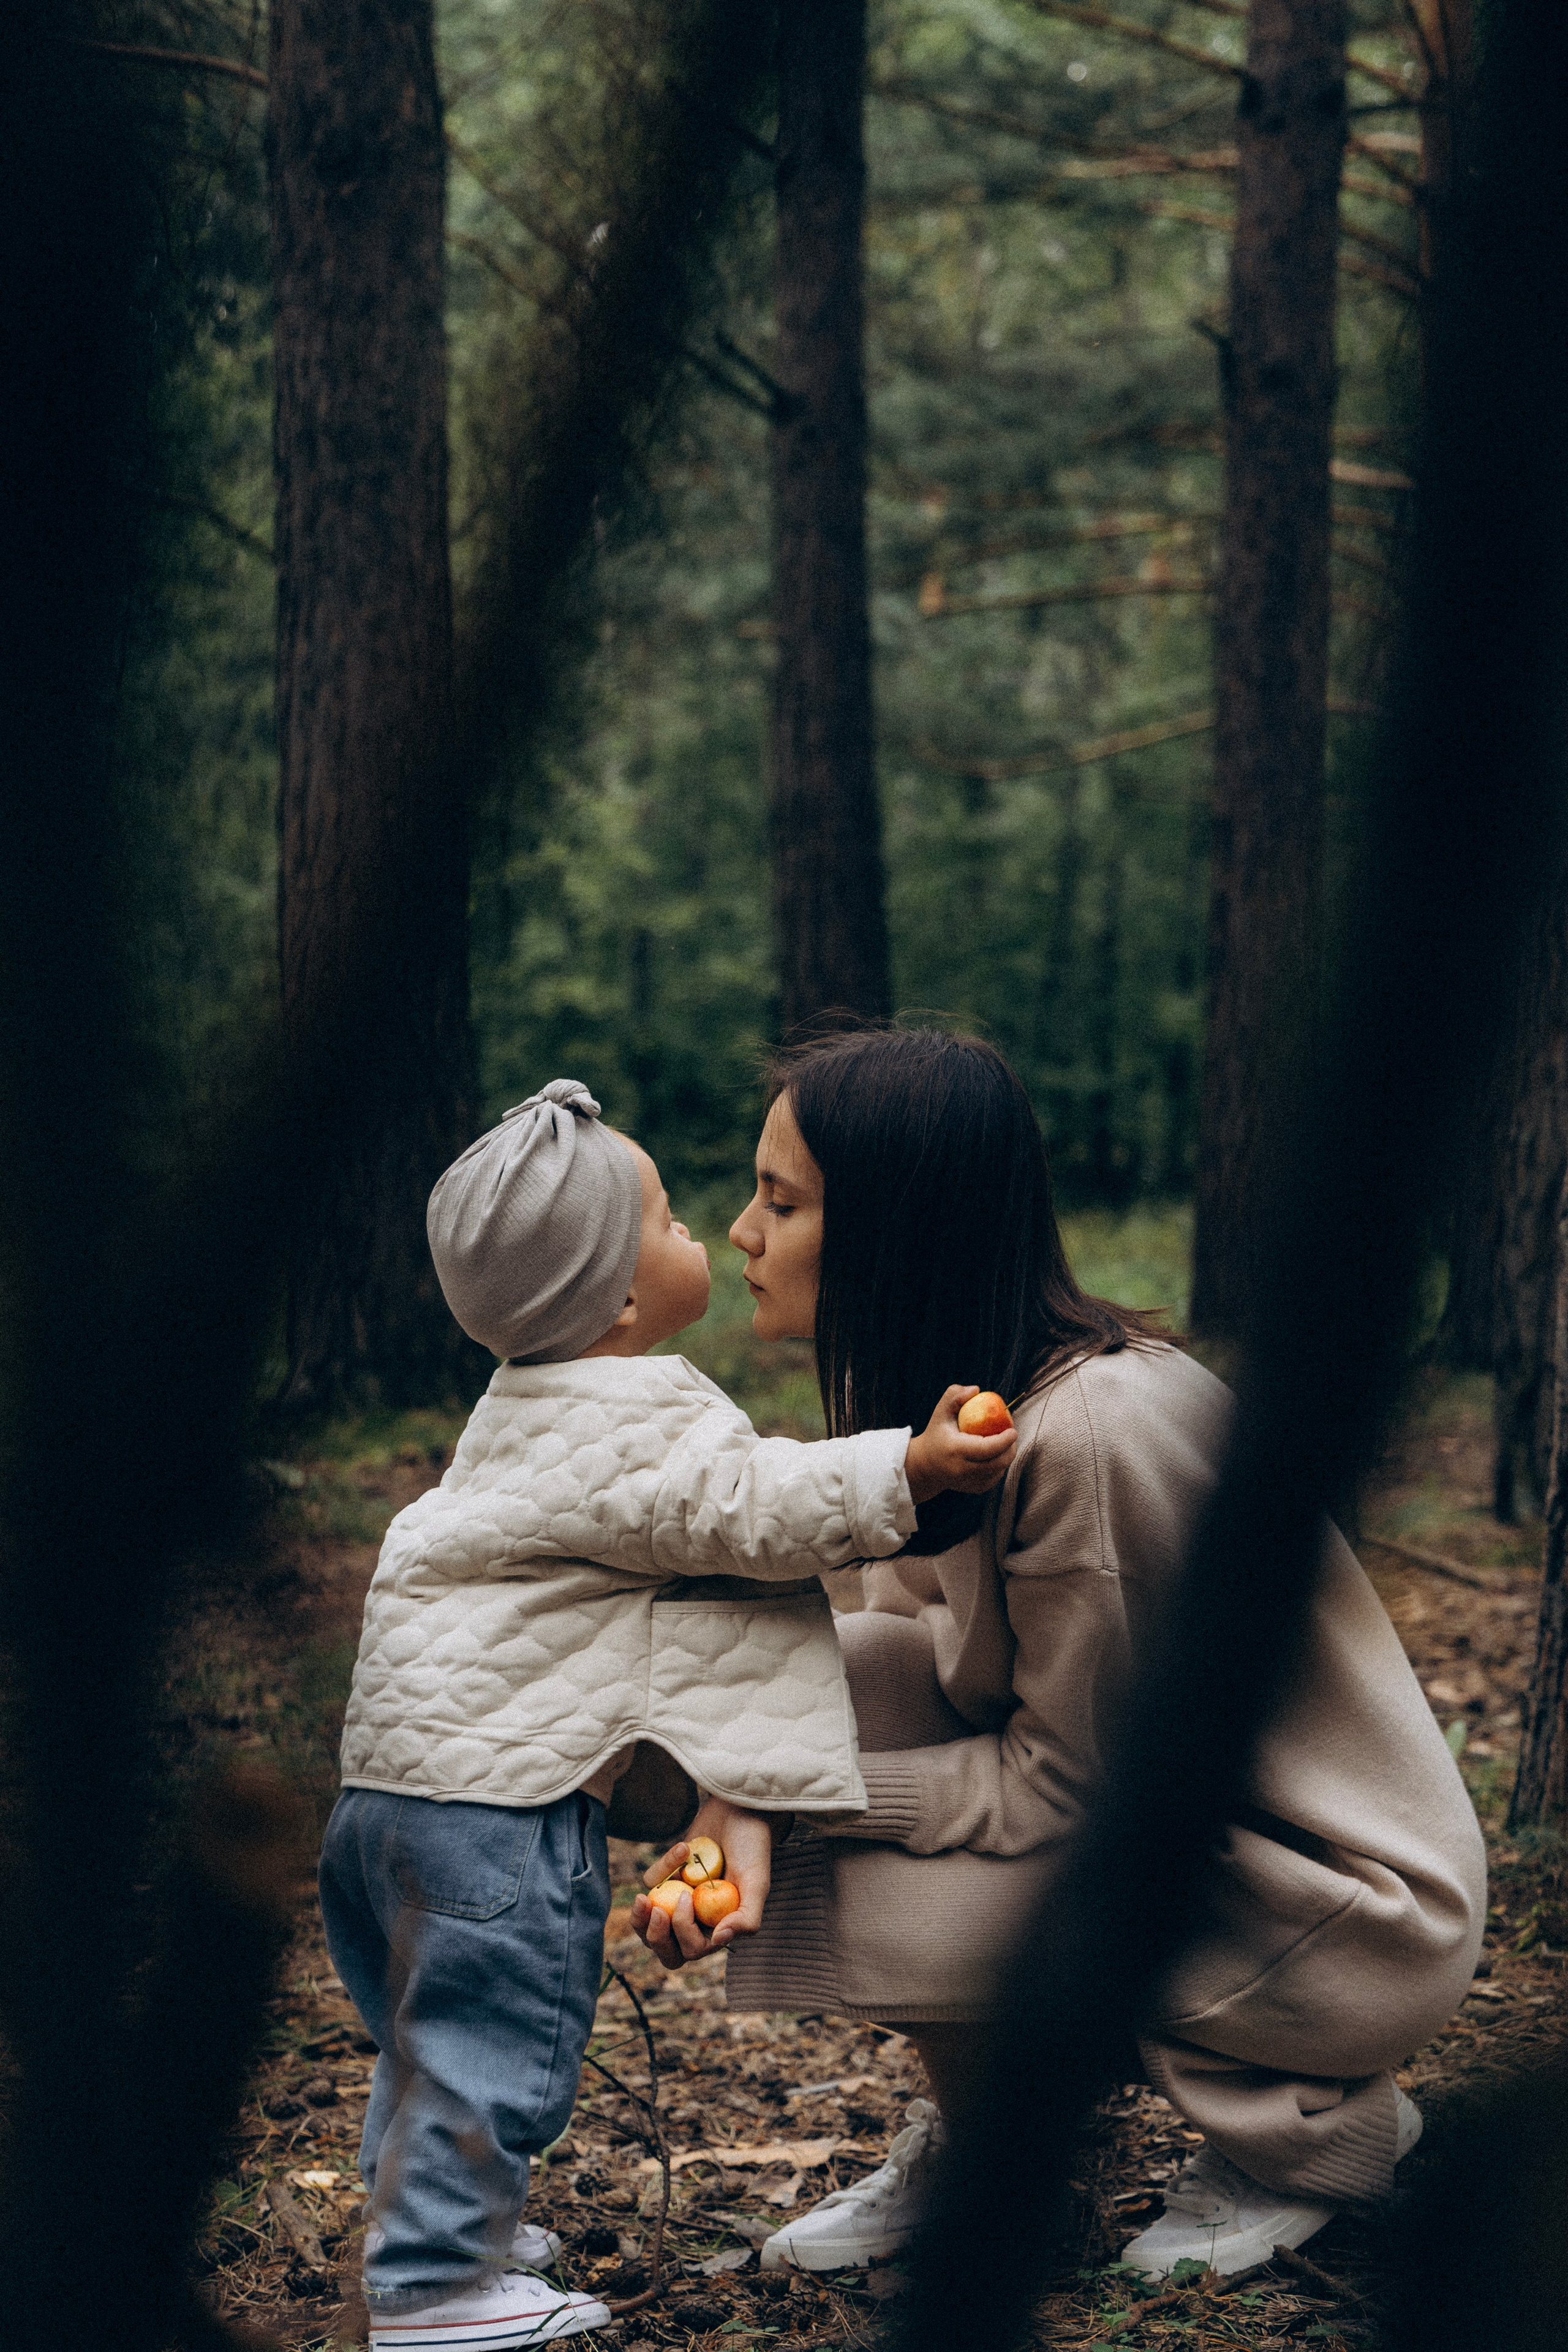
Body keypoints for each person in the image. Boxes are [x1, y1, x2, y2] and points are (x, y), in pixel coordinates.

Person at [632, 1028, 1486, 2283]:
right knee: (816, 1673)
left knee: (841, 1865)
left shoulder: (1086, 1439)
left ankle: (1304, 2129)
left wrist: (780, 1793)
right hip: (1200, 1848)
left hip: (1332, 1909)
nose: (743, 1233)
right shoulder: (965, 1411)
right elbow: (897, 1653)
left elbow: (1064, 1788)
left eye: (781, 1199)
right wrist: (739, 1754)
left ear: (893, 1225)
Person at [318, 1078, 1015, 2348]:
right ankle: (435, 2291)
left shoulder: (515, 1413)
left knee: (429, 2039)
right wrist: (902, 1469)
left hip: (387, 1803)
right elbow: (744, 1508)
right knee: (495, 2034)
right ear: (622, 1302)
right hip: (496, 1810)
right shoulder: (629, 1415)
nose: (710, 1231)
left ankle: (444, 2225)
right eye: (667, 1220)